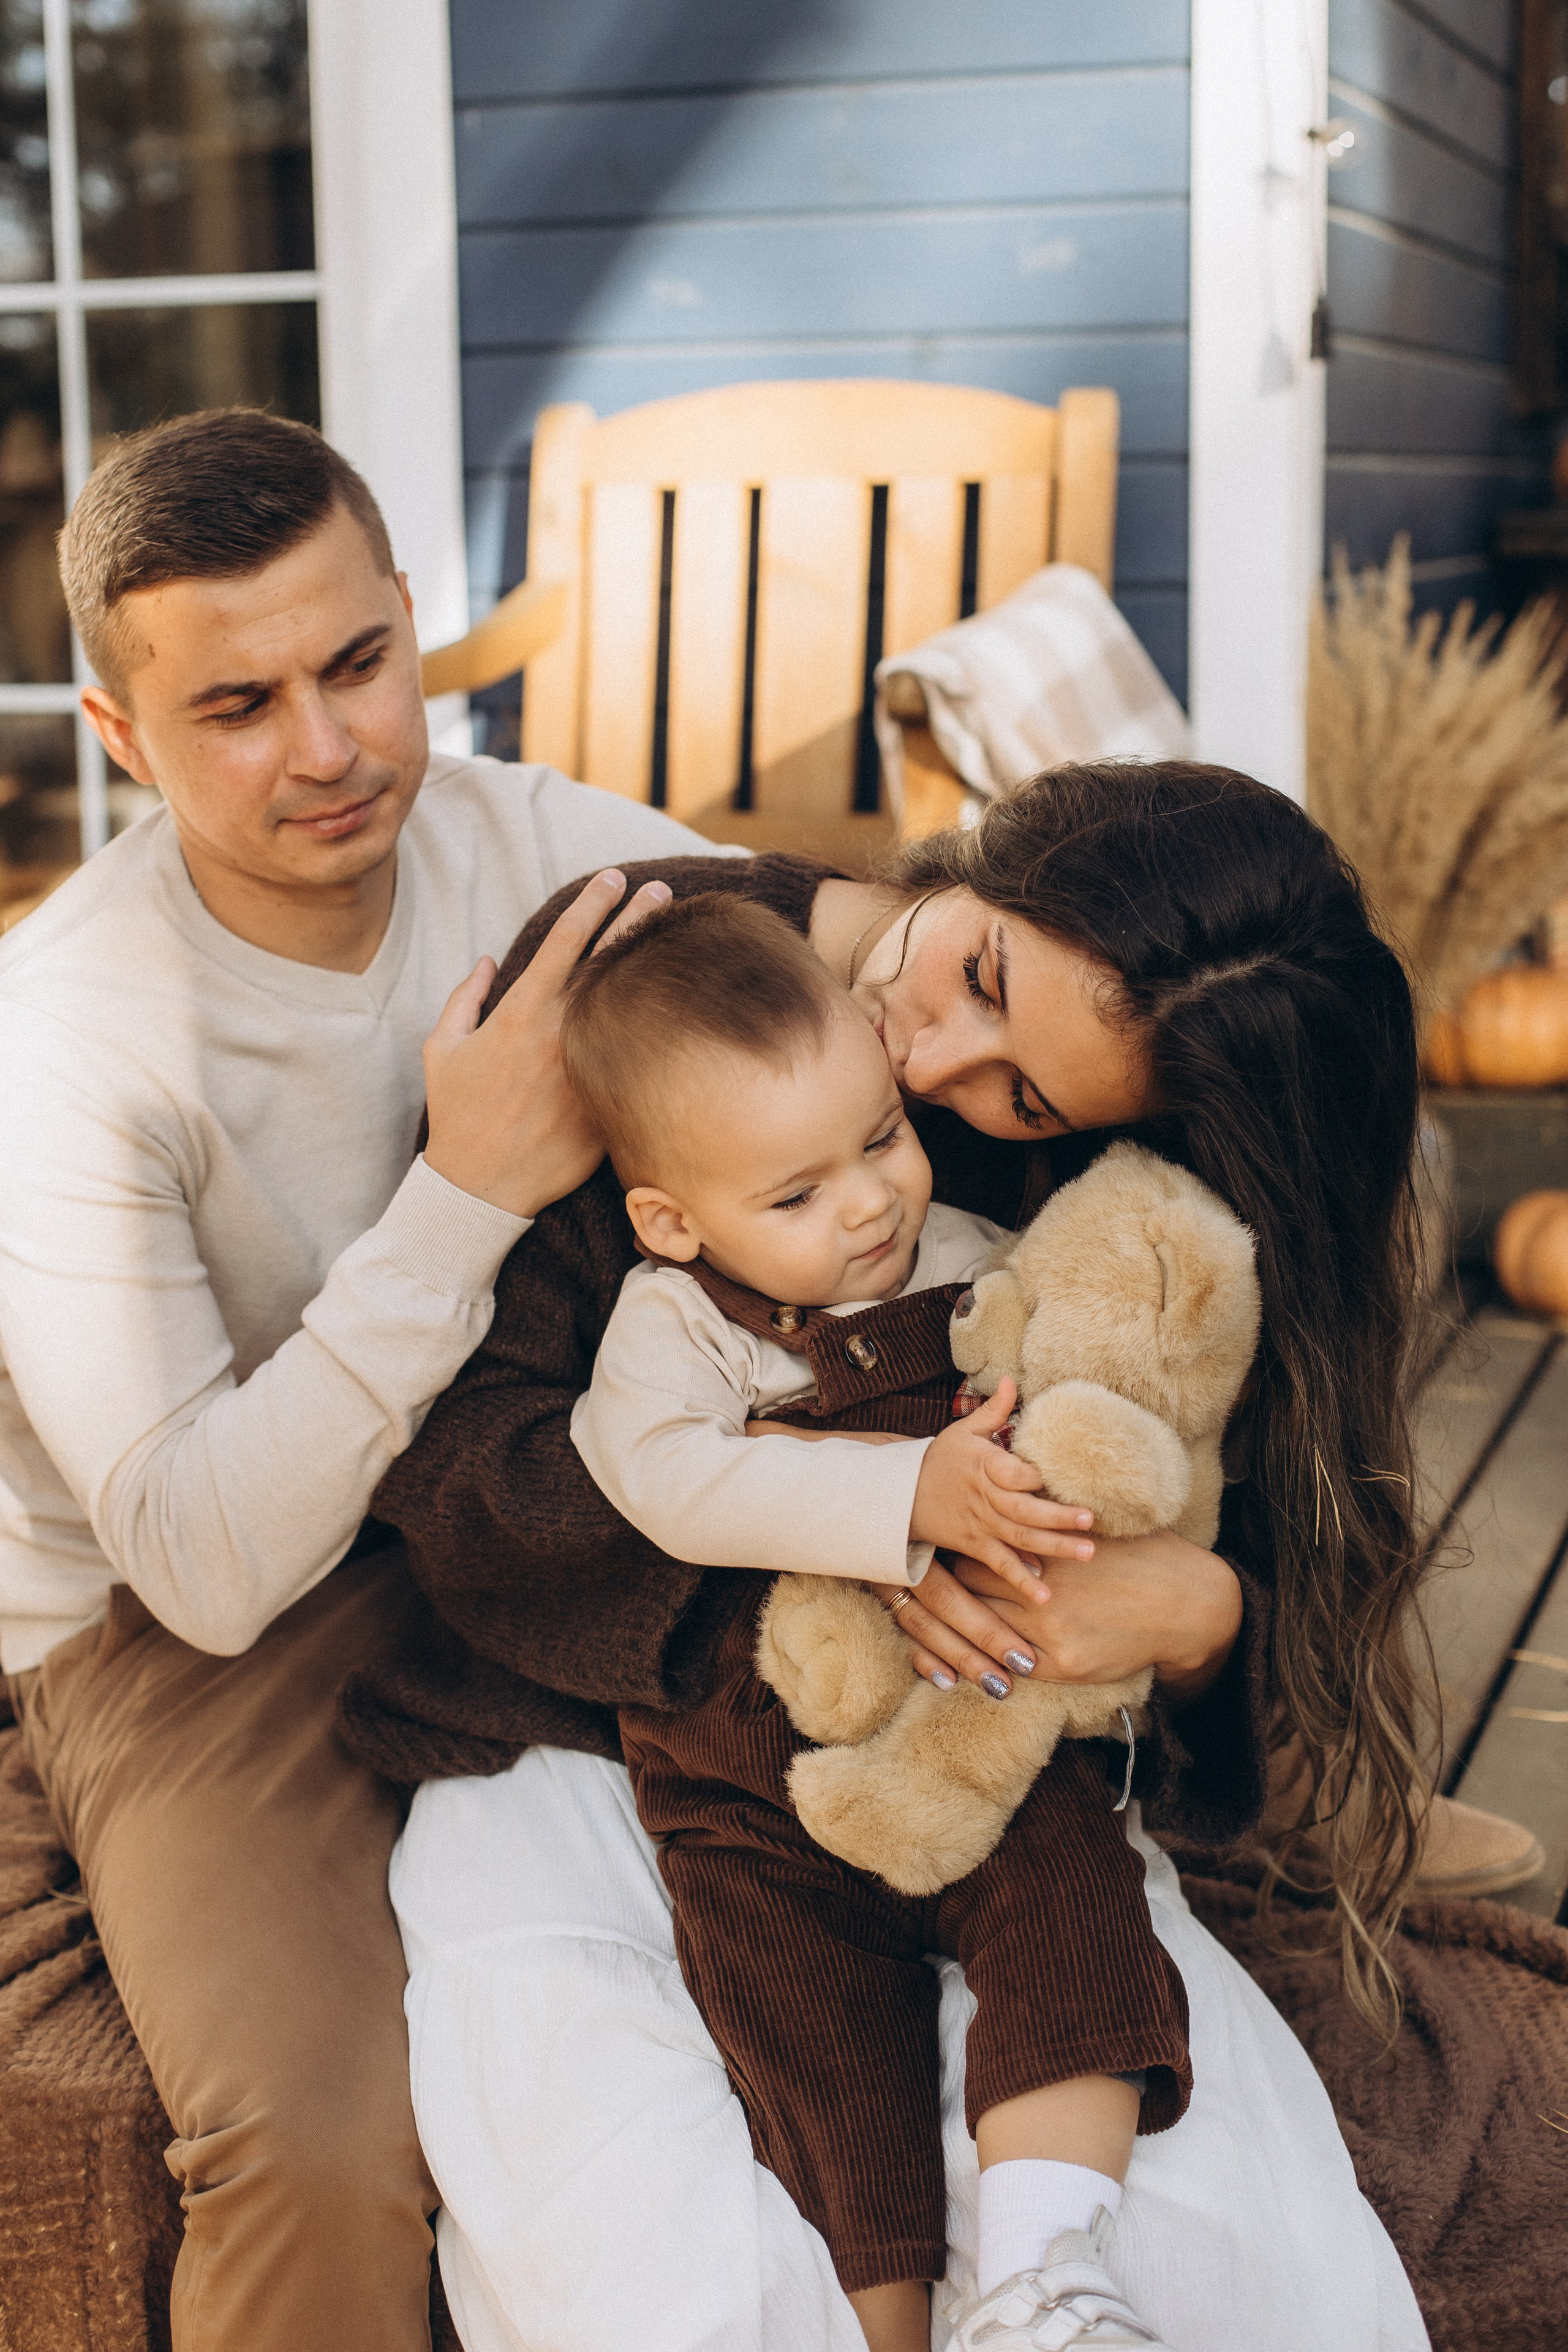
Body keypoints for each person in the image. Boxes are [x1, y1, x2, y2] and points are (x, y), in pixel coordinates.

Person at [344, 767, 1436, 2352]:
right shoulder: (657, 988)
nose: (928, 1067)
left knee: (1223, 2263)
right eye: (978, 973)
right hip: (597, 1727)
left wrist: (1200, 1616)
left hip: (973, 1744)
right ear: (1005, 849)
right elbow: (463, 1465)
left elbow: (1194, 1487)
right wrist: (863, 1528)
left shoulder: (1096, 1165)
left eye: (1025, 1102)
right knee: (672, 2256)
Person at [0, 406, 725, 2352]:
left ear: (410, 617)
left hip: (533, 1498)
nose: (327, 748)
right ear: (123, 736)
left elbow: (843, 963)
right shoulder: (61, 1045)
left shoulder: (533, 847)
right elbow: (204, 1564)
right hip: (184, 1632)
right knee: (318, 2143)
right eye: (237, 706)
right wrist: (464, 1192)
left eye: (358, 663)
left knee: (824, 1947)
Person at [561, 891, 1193, 2351]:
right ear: (671, 1220)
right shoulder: (677, 1324)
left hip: (978, 1730)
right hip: (750, 1781)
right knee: (808, 2043)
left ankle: (1042, 2271)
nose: (865, 1206)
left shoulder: (974, 1256)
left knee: (1074, 1911)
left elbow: (1078, 1394)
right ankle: (889, 2324)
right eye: (793, 1197)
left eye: (880, 1140)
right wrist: (904, 1489)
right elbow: (657, 1477)